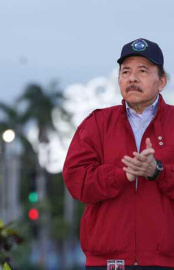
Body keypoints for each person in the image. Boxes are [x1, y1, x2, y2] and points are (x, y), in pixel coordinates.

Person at [63, 38, 174, 269]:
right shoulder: (96, 123)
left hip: (165, 261)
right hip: (107, 261)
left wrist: (158, 172)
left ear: (161, 81)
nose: (132, 78)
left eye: (142, 71)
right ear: (119, 80)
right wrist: (121, 174)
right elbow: (76, 181)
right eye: (126, 71)